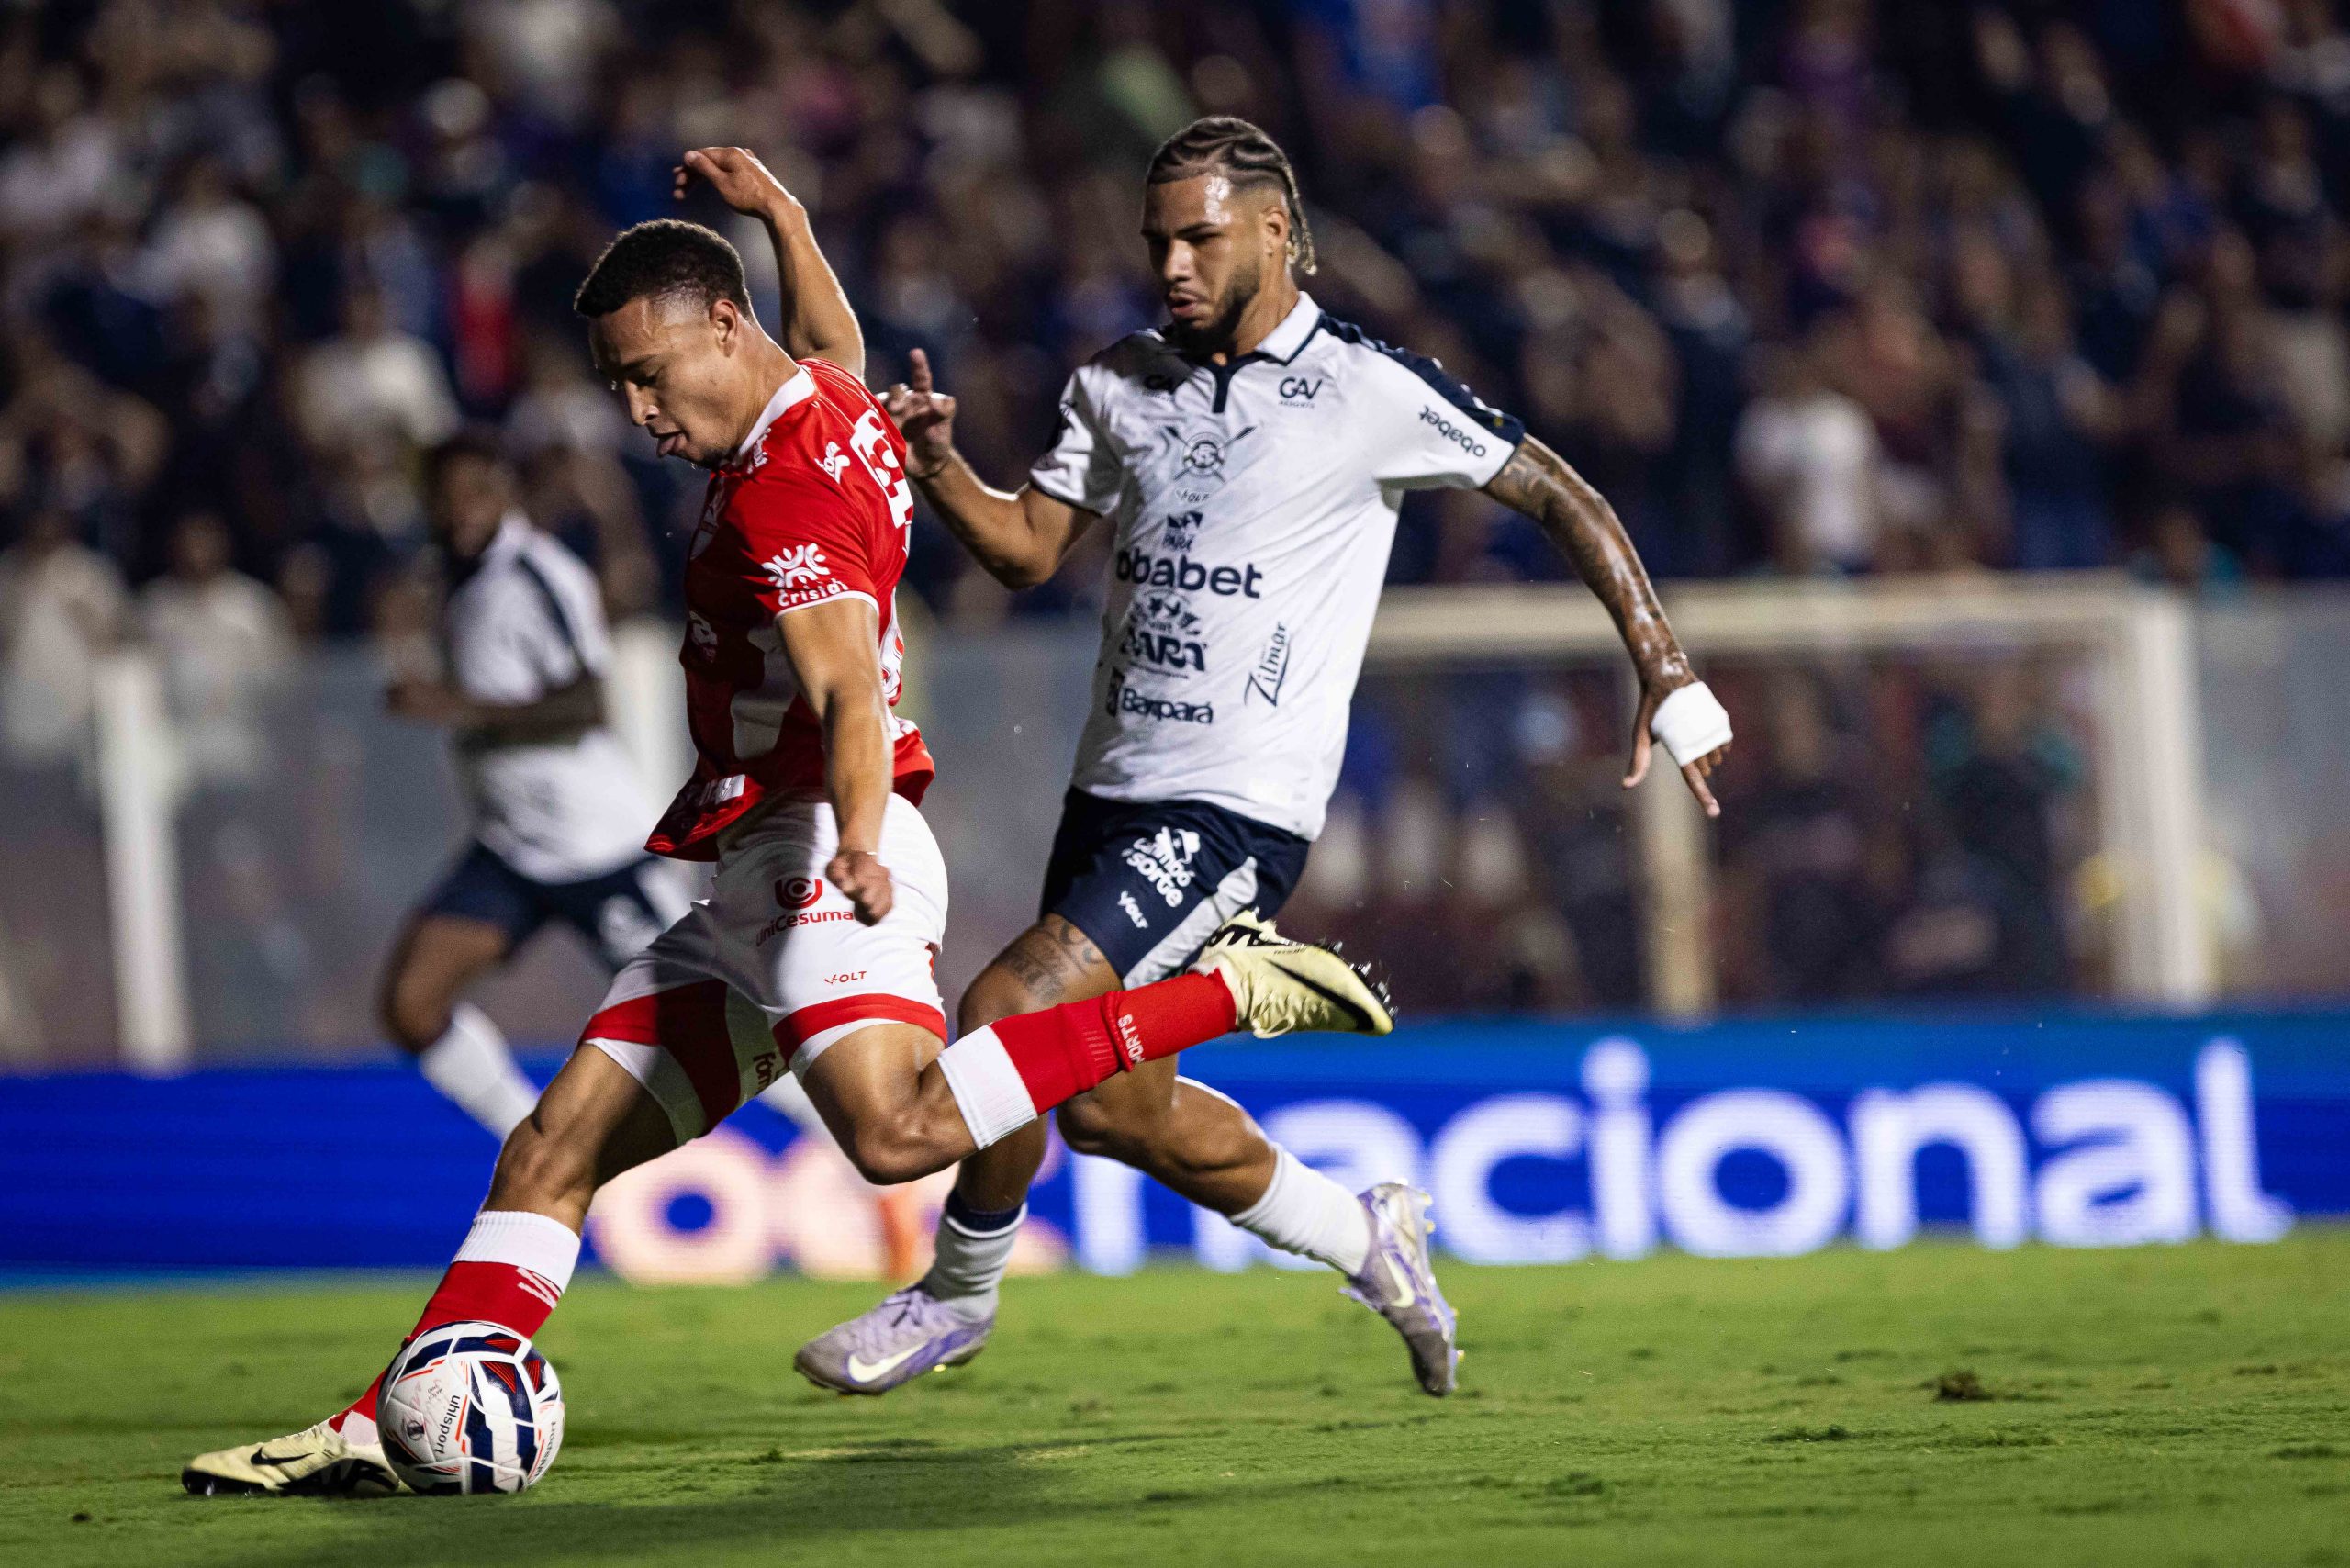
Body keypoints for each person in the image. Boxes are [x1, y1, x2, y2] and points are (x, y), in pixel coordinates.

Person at [182, 147, 1390, 1498]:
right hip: (754, 883)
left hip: (821, 853)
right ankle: (383, 1418)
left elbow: (845, 690)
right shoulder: (822, 396)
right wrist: (787, 217)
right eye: (619, 385)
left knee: (895, 1136)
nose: (639, 411)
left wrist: (860, 839)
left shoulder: (783, 490)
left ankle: (1230, 996)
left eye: (651, 374)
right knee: (552, 1147)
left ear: (721, 325)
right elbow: (831, 338)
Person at [801, 118, 1733, 1400]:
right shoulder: (1121, 380)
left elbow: (1560, 491)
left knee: (1007, 1017)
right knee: (1110, 1110)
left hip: (1234, 811)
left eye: (1199, 238)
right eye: (1156, 242)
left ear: (1276, 231)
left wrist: (1662, 663)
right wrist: (942, 465)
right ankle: (1368, 1237)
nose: (1171, 266)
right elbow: (1025, 550)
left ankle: (955, 1296)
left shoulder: (1367, 388)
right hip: (1111, 792)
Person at [374, 431, 687, 1140]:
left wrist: (457, 707)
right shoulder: (451, 577)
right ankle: (535, 1144)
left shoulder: (540, 575)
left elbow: (587, 703)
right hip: (513, 846)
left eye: (477, 492)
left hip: (597, 847)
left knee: (708, 1022)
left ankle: (857, 1155)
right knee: (411, 1005)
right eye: (446, 496)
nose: (461, 509)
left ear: (507, 494)